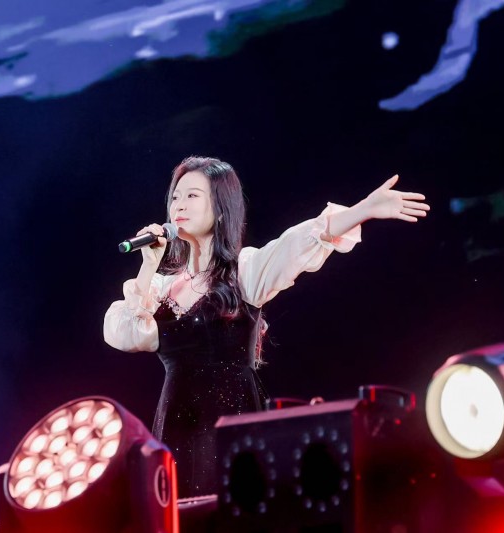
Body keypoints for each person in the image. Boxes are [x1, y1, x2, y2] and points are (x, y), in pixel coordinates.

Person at [103, 156, 430, 497]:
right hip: (177, 424)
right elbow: (126, 334)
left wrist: (365, 209)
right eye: (175, 197)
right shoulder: (161, 288)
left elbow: (298, 242)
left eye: (192, 196)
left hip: (232, 420)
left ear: (221, 208)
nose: (179, 205)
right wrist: (149, 265)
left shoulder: (245, 271)